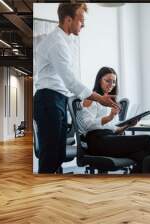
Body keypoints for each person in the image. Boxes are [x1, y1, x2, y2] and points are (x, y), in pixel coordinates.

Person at [34, 3, 119, 173]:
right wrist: (99, 98)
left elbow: (70, 81)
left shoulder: (62, 41)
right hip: (49, 100)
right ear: (68, 20)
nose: (83, 24)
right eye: (81, 20)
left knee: (57, 154)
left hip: (56, 99)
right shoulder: (57, 43)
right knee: (50, 156)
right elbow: (71, 81)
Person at [77, 67, 150, 173]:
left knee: (141, 155)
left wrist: (128, 125)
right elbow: (87, 125)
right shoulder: (90, 99)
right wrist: (109, 117)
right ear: (99, 80)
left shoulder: (110, 101)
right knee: (148, 140)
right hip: (97, 141)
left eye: (114, 82)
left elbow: (114, 129)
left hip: (109, 138)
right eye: (108, 81)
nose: (111, 84)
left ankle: (135, 182)